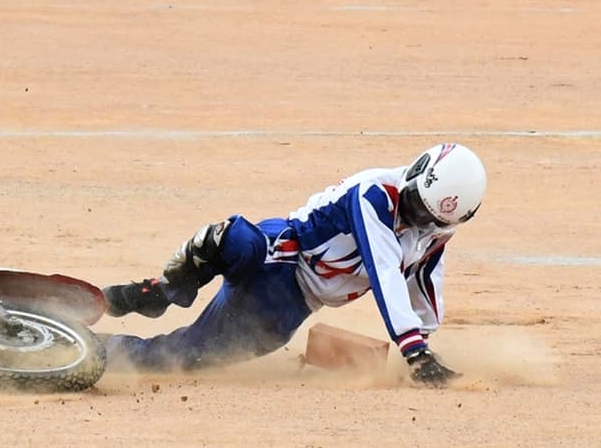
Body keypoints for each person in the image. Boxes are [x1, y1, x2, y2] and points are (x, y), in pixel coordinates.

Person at [102, 142, 487, 388]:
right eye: (416, 200)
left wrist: (426, 344)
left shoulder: (435, 233)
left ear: (449, 221)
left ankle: (96, 350)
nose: (415, 214)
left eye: (426, 215)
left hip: (288, 308)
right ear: (416, 173)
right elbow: (384, 269)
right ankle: (163, 291)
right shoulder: (376, 193)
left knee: (185, 357)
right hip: (282, 253)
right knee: (237, 241)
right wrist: (414, 350)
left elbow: (425, 284)